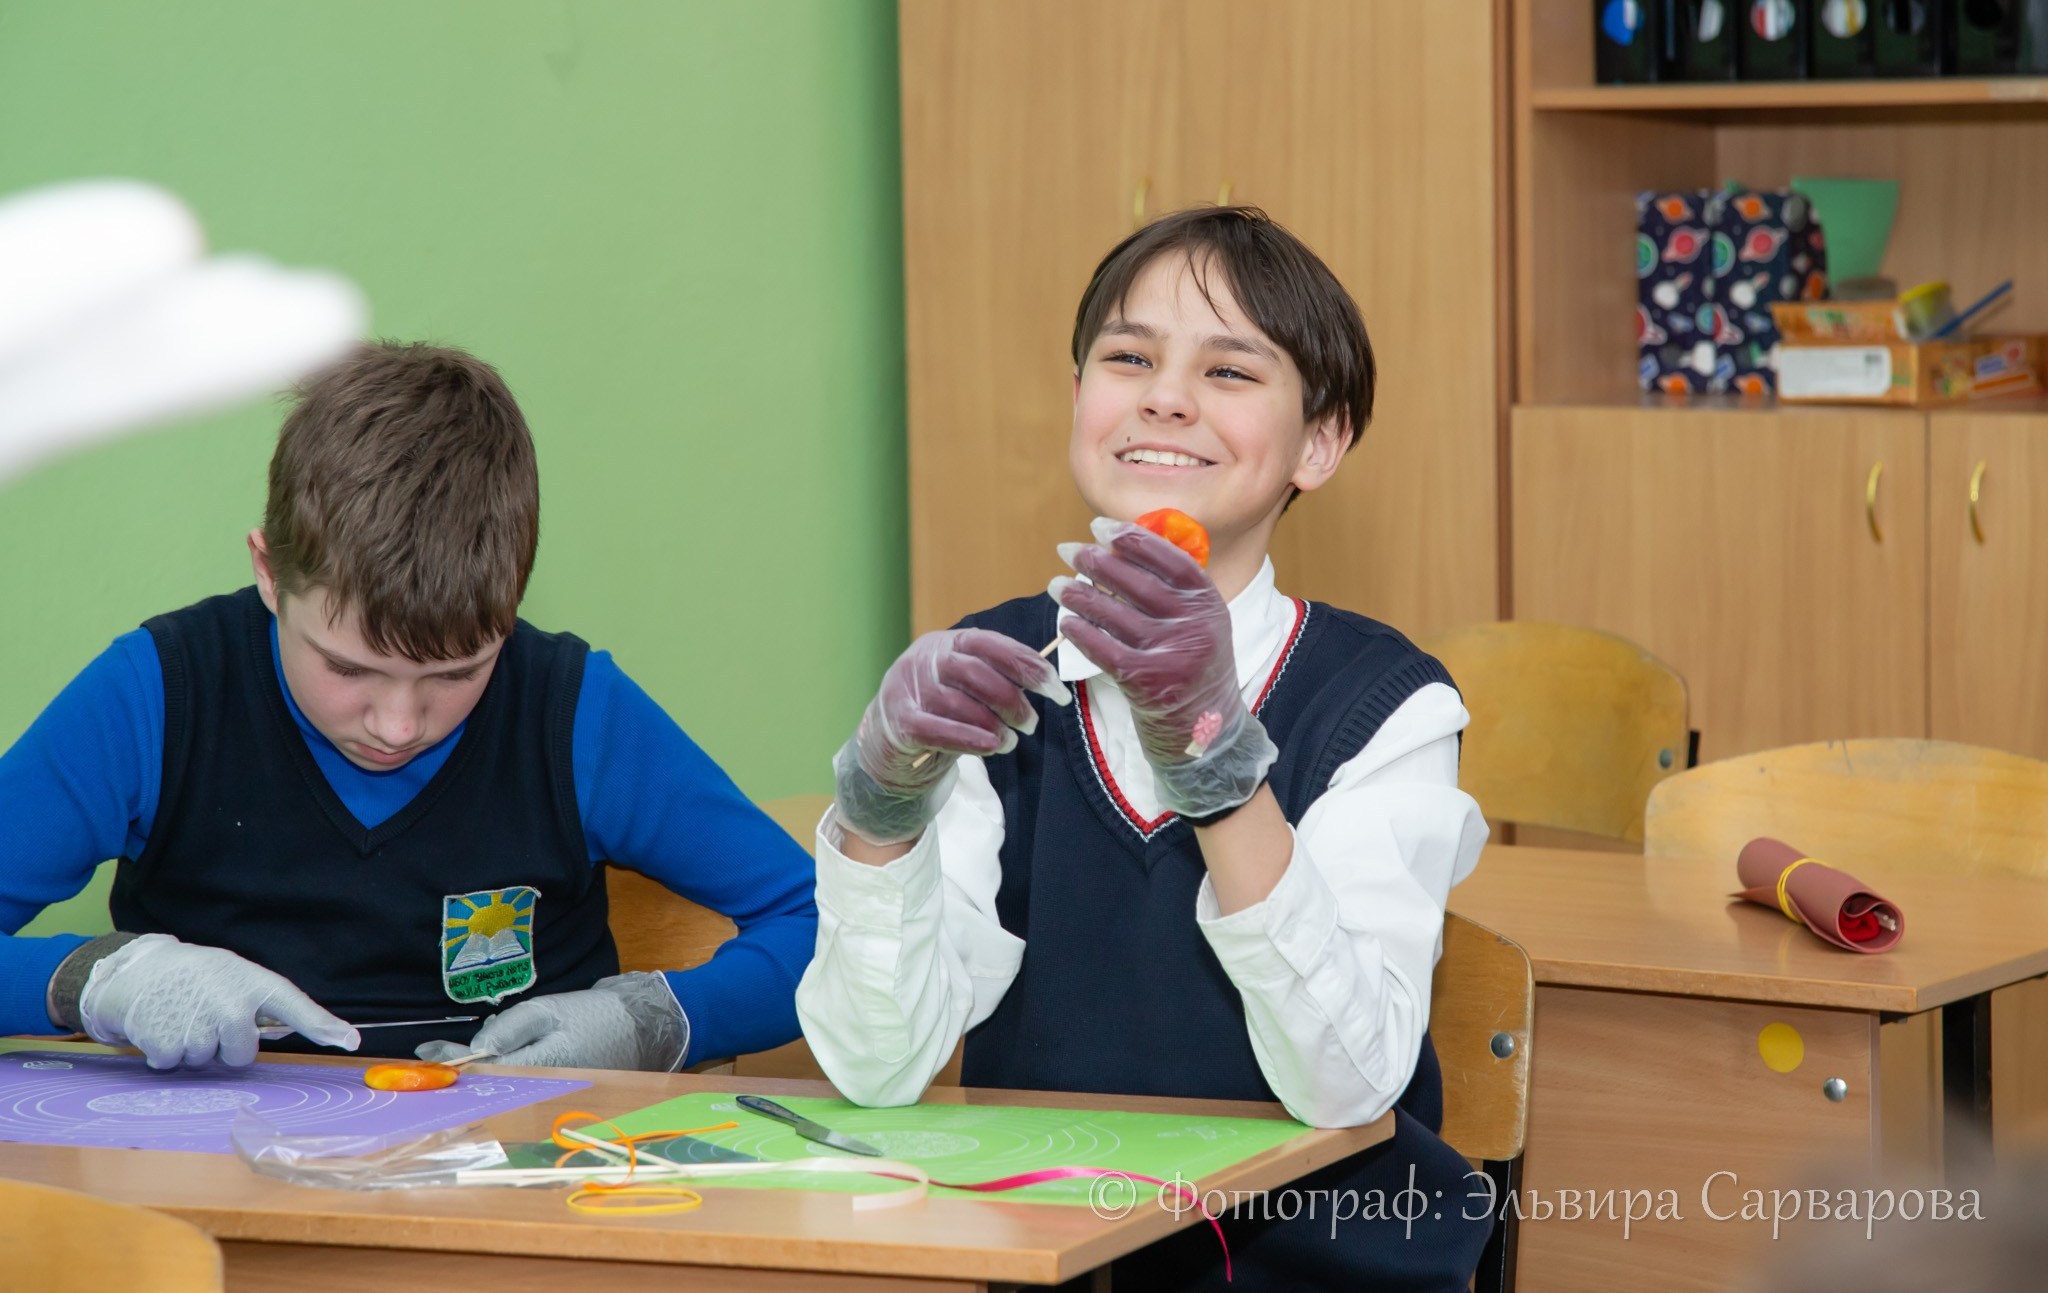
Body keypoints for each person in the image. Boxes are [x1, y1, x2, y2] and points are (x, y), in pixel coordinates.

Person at [797, 206, 1491, 1290]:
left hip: (1312, 1269)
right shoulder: (993, 672)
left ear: (1320, 441)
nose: (1164, 395)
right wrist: (879, 820)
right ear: (1078, 396)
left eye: (1229, 371)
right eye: (1126, 357)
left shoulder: (1384, 704)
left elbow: (1347, 1082)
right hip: (1050, 1256)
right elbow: (877, 1066)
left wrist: (1214, 765)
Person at [0, 342, 816, 1073]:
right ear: (270, 574)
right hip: (220, 1190)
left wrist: (657, 1021)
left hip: (519, 1181)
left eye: (457, 673)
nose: (397, 724)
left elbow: (822, 922)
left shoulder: (575, 715)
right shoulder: (154, 697)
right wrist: (91, 979)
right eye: (349, 668)